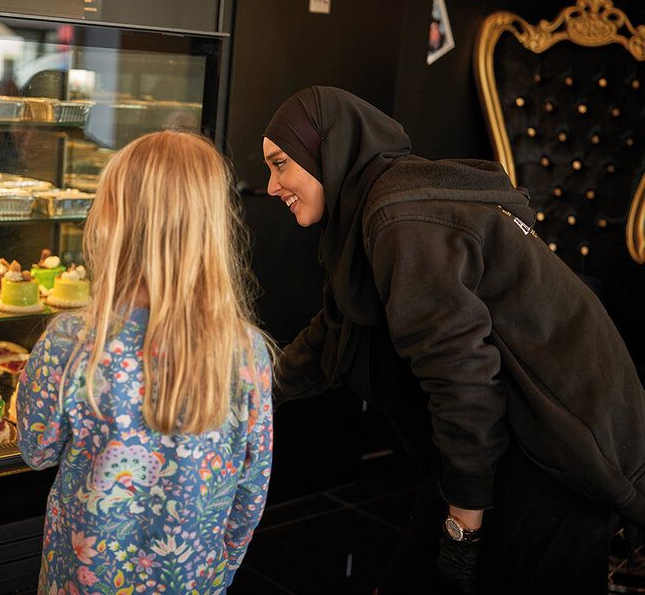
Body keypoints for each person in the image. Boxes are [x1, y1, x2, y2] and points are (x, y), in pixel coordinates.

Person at [264, 86, 645, 594]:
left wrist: (462, 525)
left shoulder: (400, 219)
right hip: (512, 436)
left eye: (281, 164)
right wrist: (253, 393)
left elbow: (463, 381)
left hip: (562, 448)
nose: (271, 186)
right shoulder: (380, 207)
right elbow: (334, 330)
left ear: (326, 151)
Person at [16, 131, 275, 592]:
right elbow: (251, 490)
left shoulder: (71, 341)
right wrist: (218, 572)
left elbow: (36, 452)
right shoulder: (246, 352)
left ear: (111, 221)